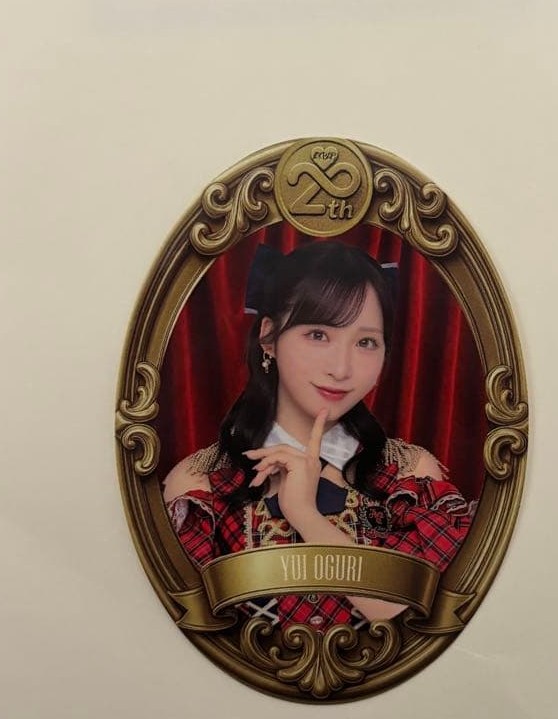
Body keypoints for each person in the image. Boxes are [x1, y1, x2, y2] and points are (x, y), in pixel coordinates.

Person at [162, 240, 475, 632]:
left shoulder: (409, 473)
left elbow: (418, 617)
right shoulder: (201, 483)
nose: (341, 369)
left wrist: (305, 515)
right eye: (318, 334)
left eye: (366, 342)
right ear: (269, 338)